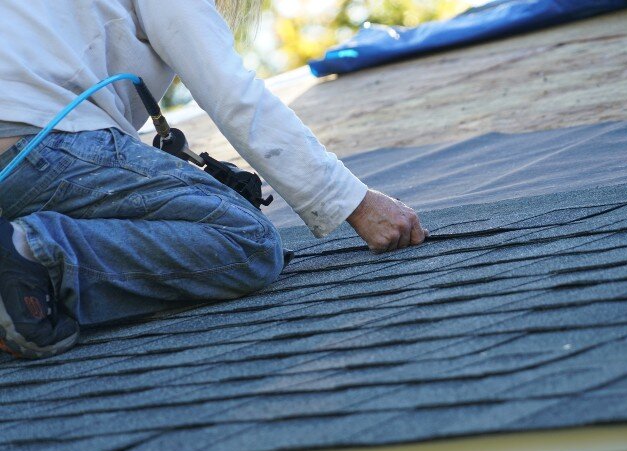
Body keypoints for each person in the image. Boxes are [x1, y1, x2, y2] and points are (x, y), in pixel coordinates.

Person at [0, 0, 428, 359]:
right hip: (44, 147)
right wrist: (353, 203)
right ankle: (36, 253)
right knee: (249, 242)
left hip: (29, 153)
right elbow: (229, 90)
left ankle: (21, 275)